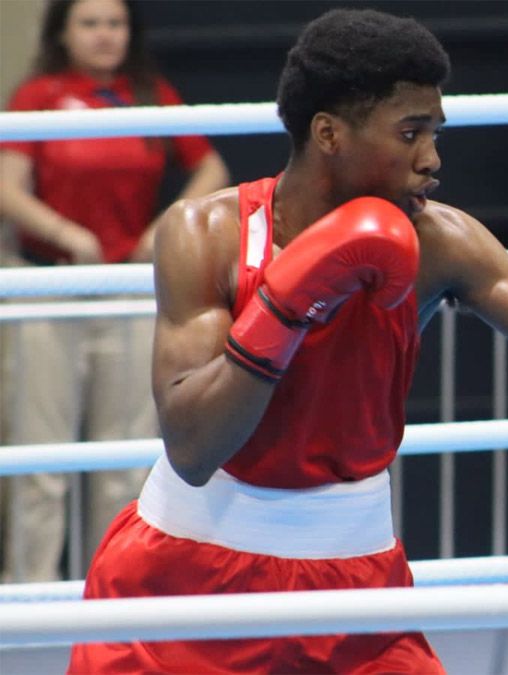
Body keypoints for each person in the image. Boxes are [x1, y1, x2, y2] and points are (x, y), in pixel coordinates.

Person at [67, 8, 508, 673]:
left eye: (435, 133)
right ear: (329, 133)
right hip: (184, 579)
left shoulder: (440, 241)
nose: (432, 159)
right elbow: (192, 446)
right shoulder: (207, 233)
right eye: (410, 132)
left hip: (355, 587)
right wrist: (287, 302)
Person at [0, 0, 228, 583]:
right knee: (40, 459)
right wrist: (62, 231)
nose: (105, 35)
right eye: (90, 23)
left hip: (127, 288)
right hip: (49, 290)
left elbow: (212, 169)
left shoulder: (150, 93)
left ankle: (116, 589)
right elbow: (6, 186)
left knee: (124, 458)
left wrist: (163, 229)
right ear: (65, 32)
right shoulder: (40, 93)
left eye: (115, 23)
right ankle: (30, 597)